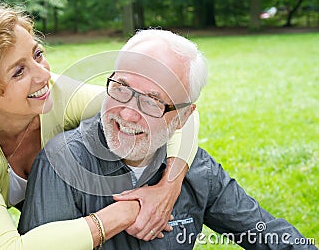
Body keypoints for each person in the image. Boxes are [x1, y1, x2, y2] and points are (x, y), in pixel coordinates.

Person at [0, 5, 200, 250]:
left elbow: (177, 113)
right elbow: (5, 247)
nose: (44, 74)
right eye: (19, 71)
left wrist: (168, 187)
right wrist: (127, 211)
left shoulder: (59, 93)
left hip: (48, 179)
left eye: (38, 54)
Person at [19, 29, 317, 249]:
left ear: (183, 117)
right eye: (121, 87)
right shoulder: (63, 164)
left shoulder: (197, 169)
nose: (128, 113)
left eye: (151, 101)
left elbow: (268, 235)